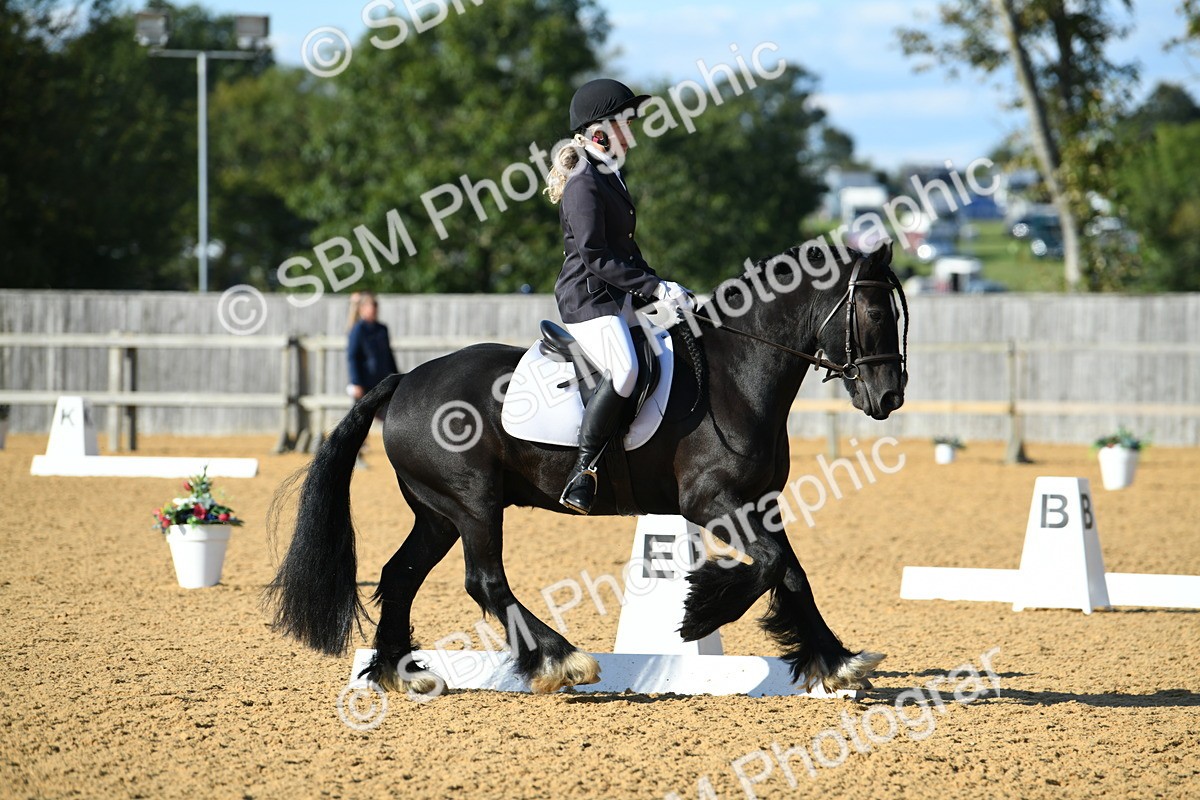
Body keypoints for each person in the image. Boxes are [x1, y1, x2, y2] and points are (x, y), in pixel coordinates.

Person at [544, 78, 696, 515]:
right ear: (599, 132)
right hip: (589, 300)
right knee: (626, 369)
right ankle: (583, 471)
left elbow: (625, 250)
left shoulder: (609, 175)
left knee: (673, 343)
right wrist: (652, 288)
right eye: (625, 123)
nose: (631, 131)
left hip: (618, 296)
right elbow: (594, 256)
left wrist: (662, 286)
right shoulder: (584, 183)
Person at [346, 291, 399, 405]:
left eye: (375, 305)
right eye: (371, 305)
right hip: (365, 383)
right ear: (362, 308)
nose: (374, 308)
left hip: (382, 380)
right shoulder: (358, 330)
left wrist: (396, 376)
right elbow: (353, 357)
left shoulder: (382, 329)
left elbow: (388, 355)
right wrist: (356, 382)